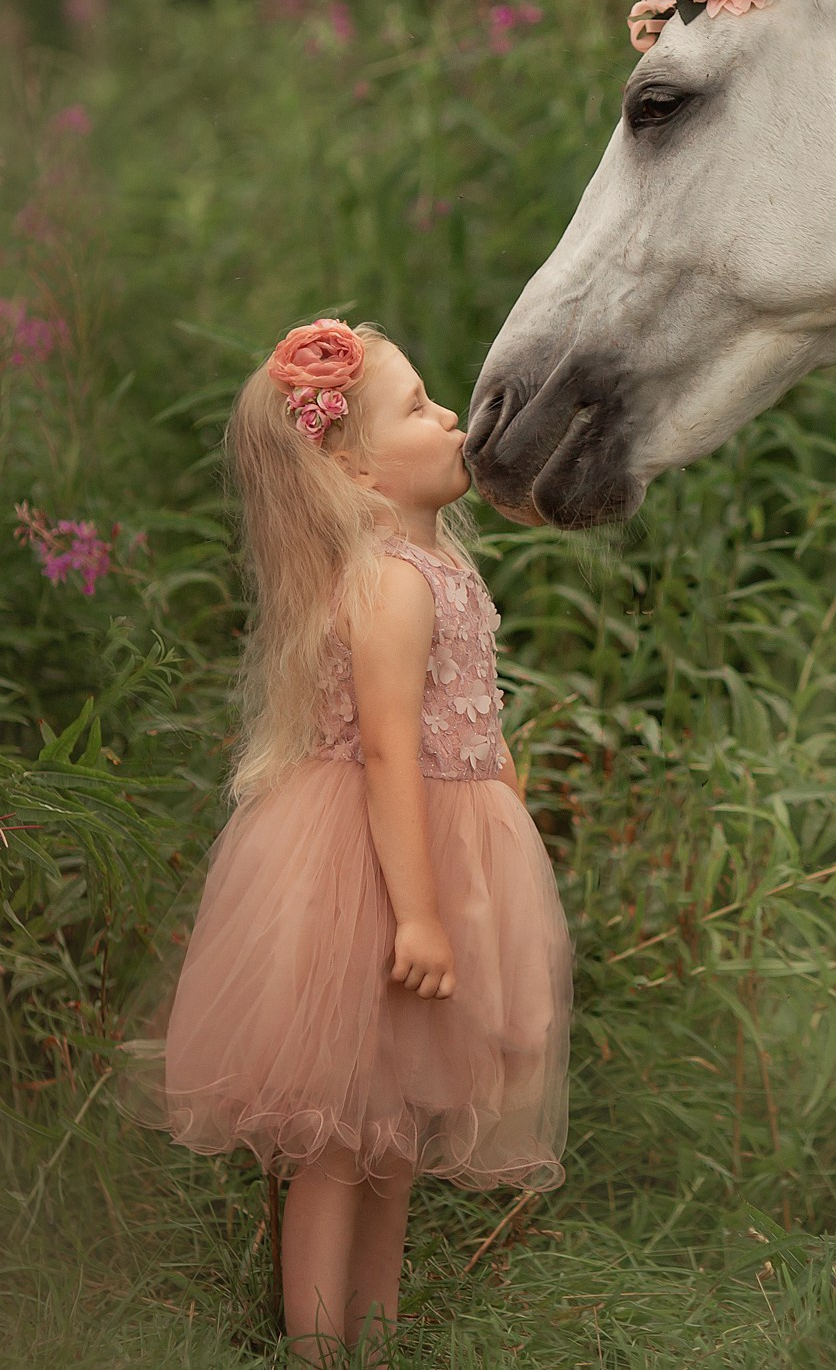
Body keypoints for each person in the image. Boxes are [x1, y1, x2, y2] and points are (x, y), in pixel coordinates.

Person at [126, 318, 569, 1364]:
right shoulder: (391, 583)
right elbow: (383, 754)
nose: (454, 416)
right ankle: (317, 1347)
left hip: (442, 850)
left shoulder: (434, 568)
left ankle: (376, 1340)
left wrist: (498, 779)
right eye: (418, 407)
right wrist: (417, 912)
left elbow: (458, 716)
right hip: (367, 873)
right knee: (335, 1139)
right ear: (351, 466)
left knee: (394, 1135)